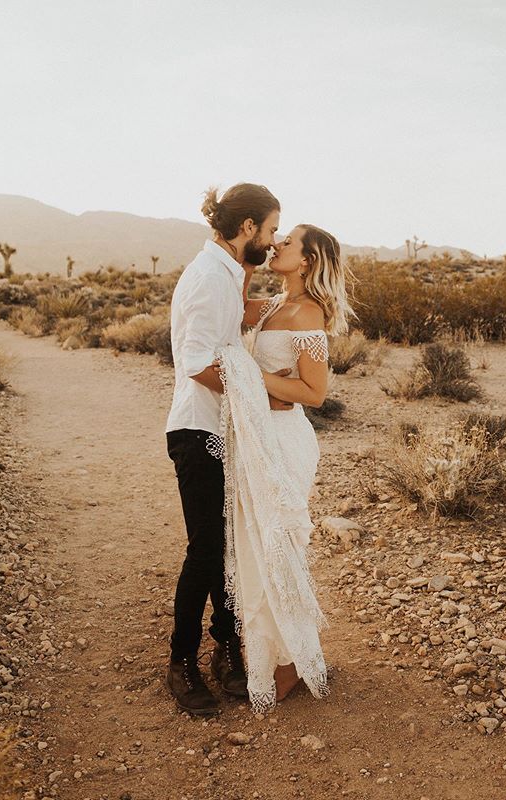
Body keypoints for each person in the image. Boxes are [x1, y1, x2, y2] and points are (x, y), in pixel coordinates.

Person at [222, 222, 353, 710]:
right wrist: (249, 262)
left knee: (279, 545)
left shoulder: (308, 313)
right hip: (257, 437)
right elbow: (231, 312)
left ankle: (293, 660)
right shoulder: (274, 306)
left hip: (285, 440)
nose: (279, 243)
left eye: (288, 241)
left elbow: (314, 394)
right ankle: (272, 655)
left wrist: (254, 379)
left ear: (309, 260)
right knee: (255, 545)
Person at [165, 182, 284, 716]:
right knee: (207, 550)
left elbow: (232, 319)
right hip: (198, 431)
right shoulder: (211, 278)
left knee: (227, 547)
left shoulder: (226, 270)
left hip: (218, 429)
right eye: (272, 229)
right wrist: (258, 395)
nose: (275, 239)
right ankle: (181, 664)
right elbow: (195, 362)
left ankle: (228, 648)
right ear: (248, 228)